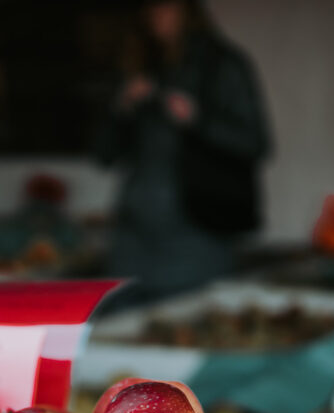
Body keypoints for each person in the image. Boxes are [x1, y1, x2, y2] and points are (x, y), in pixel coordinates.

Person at [97, 0, 272, 305]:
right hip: (134, 237)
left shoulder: (221, 64)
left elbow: (255, 142)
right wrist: (122, 108)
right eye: (149, 9)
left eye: (164, 8)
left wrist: (196, 119)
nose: (155, 16)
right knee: (121, 329)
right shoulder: (139, 64)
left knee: (186, 326)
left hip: (200, 230)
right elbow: (103, 154)